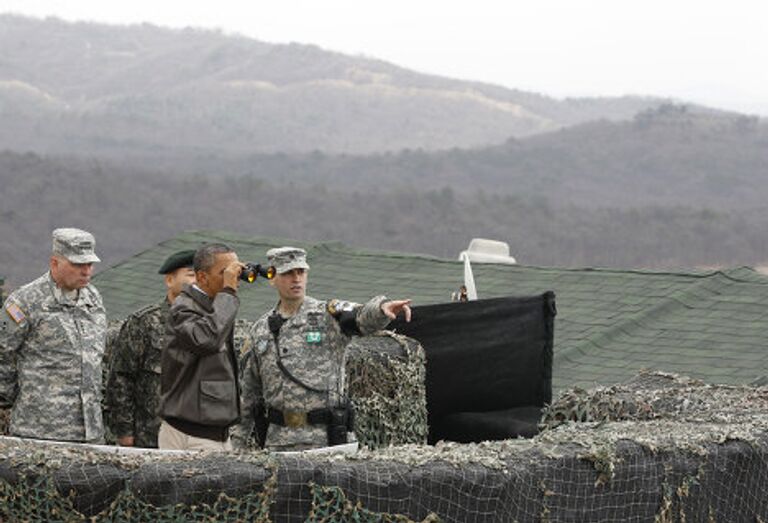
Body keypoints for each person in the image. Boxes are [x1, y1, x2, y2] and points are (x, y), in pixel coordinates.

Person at [234, 246, 411, 451]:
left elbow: (361, 316)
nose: (296, 279)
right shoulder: (260, 329)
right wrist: (237, 445)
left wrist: (382, 309)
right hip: (279, 442)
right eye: (288, 273)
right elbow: (249, 395)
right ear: (273, 278)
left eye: (301, 272)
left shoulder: (328, 315)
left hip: (327, 441)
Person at [0, 228, 106, 443]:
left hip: (90, 431)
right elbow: (3, 353)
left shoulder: (93, 298)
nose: (86, 271)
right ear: (55, 263)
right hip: (40, 431)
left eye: (90, 264)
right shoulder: (25, 301)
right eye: (78, 264)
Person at [106, 250, 196, 448]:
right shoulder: (145, 322)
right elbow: (121, 378)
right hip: (150, 436)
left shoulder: (212, 323)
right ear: (170, 280)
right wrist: (125, 432)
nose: (197, 280)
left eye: (202, 275)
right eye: (191, 274)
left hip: (199, 435)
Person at [158, 244, 243, 451]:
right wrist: (228, 291)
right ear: (202, 278)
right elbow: (208, 339)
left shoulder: (216, 305)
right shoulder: (183, 308)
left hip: (218, 432)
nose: (233, 279)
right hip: (189, 435)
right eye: (225, 273)